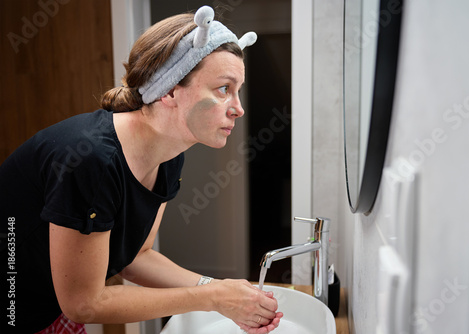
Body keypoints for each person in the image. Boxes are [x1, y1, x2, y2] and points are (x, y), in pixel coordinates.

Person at [0, 6, 282, 334]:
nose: (239, 108)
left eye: (238, 90)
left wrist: (223, 291)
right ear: (171, 90)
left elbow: (138, 256)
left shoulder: (169, 154)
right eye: (224, 89)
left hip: (45, 310)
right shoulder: (91, 160)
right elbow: (83, 303)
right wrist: (212, 297)